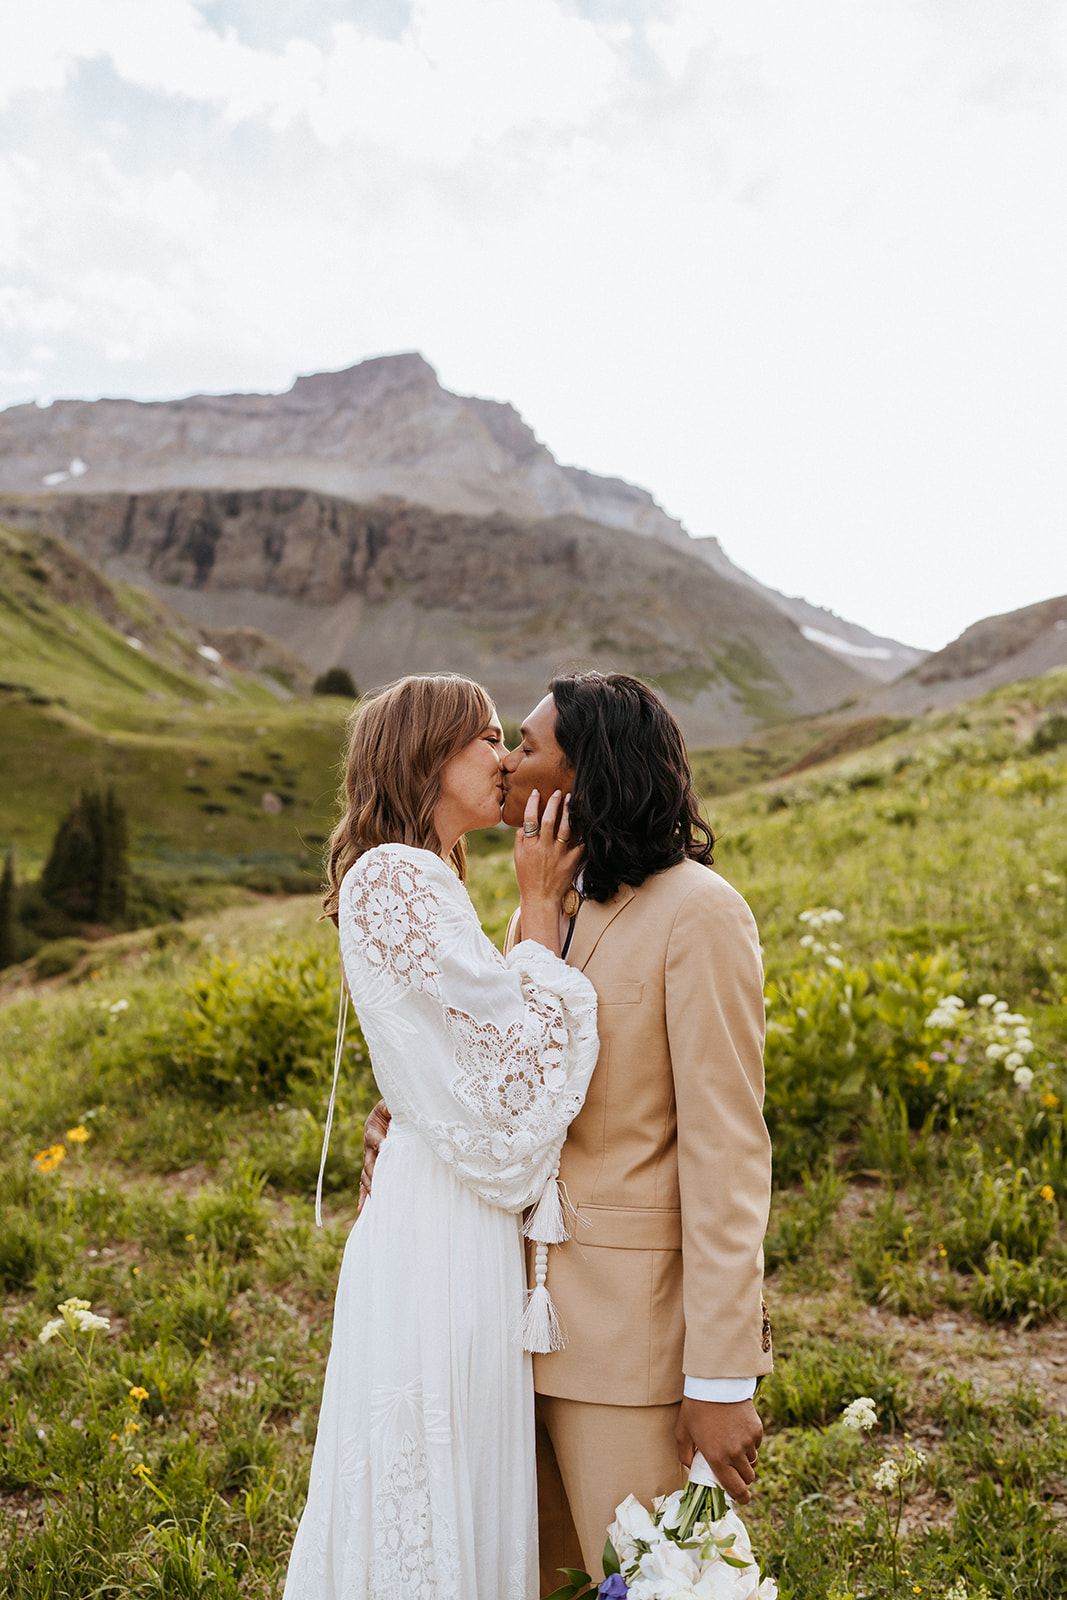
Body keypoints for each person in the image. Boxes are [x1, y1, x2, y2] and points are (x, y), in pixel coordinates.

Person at [362, 670, 772, 1593]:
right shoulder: (534, 912)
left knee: (657, 1581)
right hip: (496, 1333)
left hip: (627, 1351)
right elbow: (500, 1087)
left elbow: (727, 1157)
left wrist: (719, 1379)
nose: (507, 760)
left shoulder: (698, 913)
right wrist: (410, 1123)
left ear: (586, 776)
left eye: (531, 746)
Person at [283, 673, 599, 1600]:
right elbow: (506, 1072)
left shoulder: (420, 877)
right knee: (432, 1452)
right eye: (487, 737)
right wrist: (539, 906)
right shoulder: (396, 874)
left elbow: (448, 1055)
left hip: (441, 1197)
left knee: (447, 1454)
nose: (505, 758)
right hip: (442, 1218)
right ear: (429, 754)